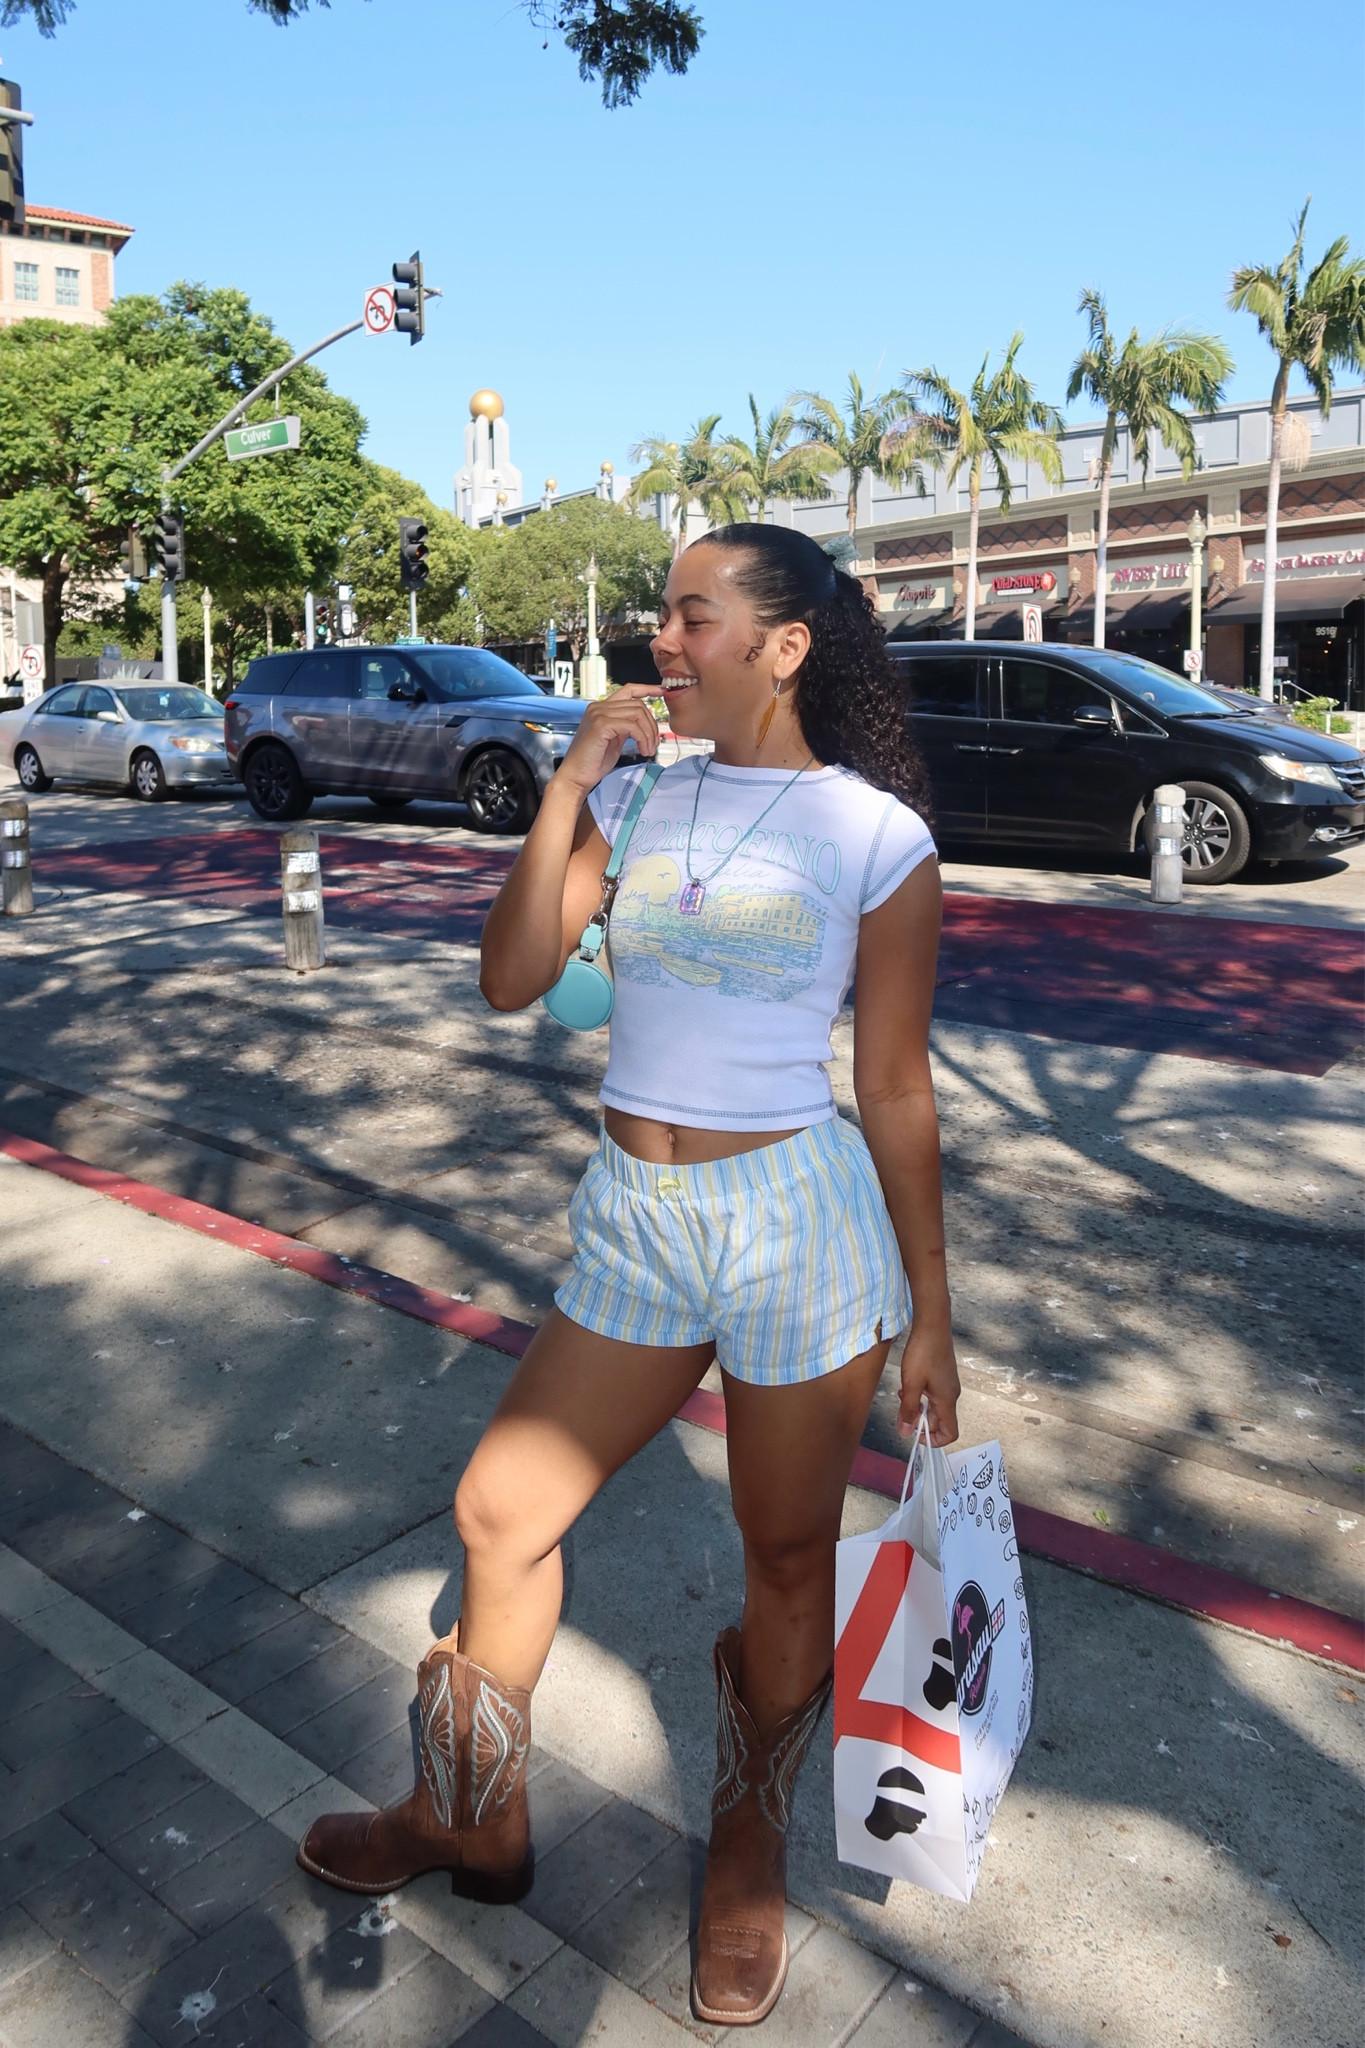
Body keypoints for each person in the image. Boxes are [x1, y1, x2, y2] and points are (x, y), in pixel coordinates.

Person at [298, 523, 961, 2027]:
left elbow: (895, 1086)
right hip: (635, 1220)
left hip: (796, 1223)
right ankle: (468, 1810)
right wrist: (567, 792)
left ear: (784, 646)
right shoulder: (642, 792)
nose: (661, 639)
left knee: (785, 1555)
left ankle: (747, 1848)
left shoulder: (876, 836)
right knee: (500, 1511)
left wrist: (932, 1312)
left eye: (691, 615)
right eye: (663, 613)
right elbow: (513, 978)